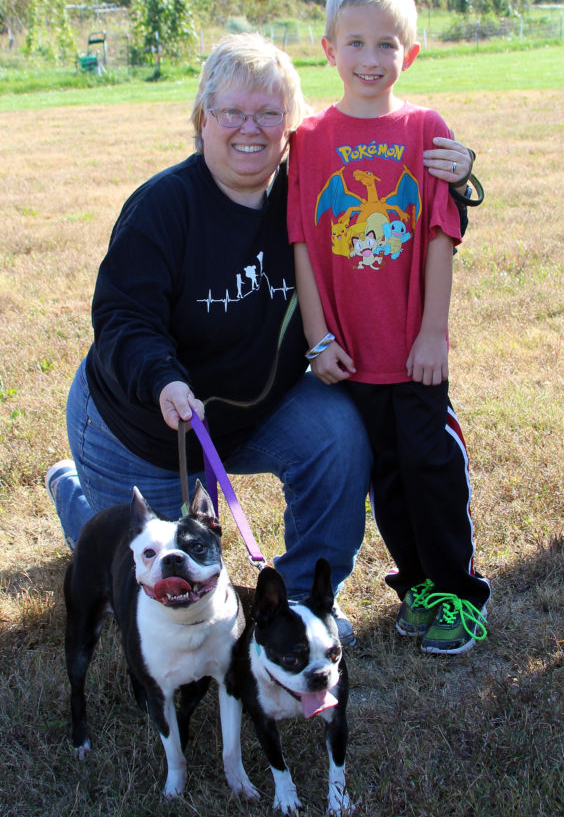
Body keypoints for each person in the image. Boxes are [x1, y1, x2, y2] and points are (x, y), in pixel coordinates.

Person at [46, 32, 478, 648]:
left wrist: (458, 177)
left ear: (290, 126)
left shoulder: (302, 202)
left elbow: (394, 234)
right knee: (155, 593)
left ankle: (302, 600)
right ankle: (76, 496)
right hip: (141, 426)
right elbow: (123, 317)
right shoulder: (162, 207)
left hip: (250, 416)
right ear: (203, 119)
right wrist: (163, 378)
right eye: (232, 112)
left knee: (338, 430)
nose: (249, 129)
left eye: (269, 114)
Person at [287, 0, 490, 655]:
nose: (370, 58)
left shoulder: (425, 128)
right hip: (350, 355)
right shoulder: (309, 138)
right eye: (356, 43)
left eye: (386, 44)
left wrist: (432, 331)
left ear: (412, 53)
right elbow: (303, 245)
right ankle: (420, 589)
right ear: (328, 48)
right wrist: (317, 338)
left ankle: (459, 595)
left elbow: (439, 230)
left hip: (412, 351)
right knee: (386, 480)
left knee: (431, 466)